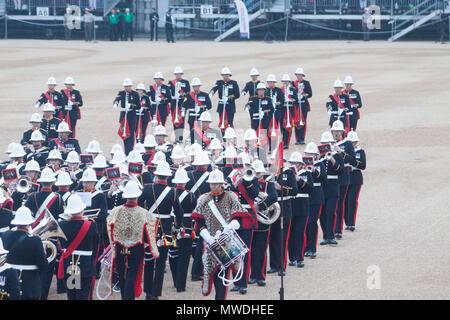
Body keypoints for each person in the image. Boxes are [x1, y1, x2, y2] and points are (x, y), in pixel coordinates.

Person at [191, 169, 251, 300]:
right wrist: (209, 238)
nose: (213, 186)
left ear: (221, 183)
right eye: (211, 183)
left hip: (226, 240)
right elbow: (199, 223)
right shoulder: (203, 199)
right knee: (209, 269)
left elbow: (239, 218)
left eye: (215, 183)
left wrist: (228, 228)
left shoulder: (231, 197)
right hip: (210, 241)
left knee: (225, 272)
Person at [138, 161, 183, 300]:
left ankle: (148, 292)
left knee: (149, 259)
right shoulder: (173, 192)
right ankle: (156, 293)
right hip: (165, 229)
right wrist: (177, 226)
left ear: (156, 175)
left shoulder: (147, 189)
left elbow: (138, 205)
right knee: (161, 261)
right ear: (167, 177)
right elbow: (179, 213)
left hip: (149, 227)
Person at [107, 181, 159, 300]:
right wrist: (149, 245)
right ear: (137, 196)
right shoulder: (144, 213)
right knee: (132, 274)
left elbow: (109, 226)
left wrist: (114, 242)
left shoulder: (116, 211)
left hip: (120, 246)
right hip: (136, 247)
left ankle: (124, 297)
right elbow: (151, 229)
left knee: (122, 273)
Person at [24, 167, 64, 299]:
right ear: (53, 183)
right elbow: (60, 219)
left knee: (32, 270)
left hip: (33, 238)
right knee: (46, 273)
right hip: (50, 239)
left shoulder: (32, 197)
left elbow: (26, 217)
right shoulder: (58, 198)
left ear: (41, 182)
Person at [1, 207, 48, 300]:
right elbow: (44, 266)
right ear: (29, 223)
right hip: (29, 284)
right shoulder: (35, 240)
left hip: (9, 281)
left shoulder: (5, 235)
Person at [57, 194, 99, 300]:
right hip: (85, 265)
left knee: (72, 295)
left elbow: (61, 244)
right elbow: (96, 245)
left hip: (70, 265)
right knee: (83, 295)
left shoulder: (62, 225)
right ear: (82, 209)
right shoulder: (91, 225)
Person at [171, 168, 197, 292]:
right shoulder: (191, 195)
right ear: (185, 182)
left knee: (173, 254)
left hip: (172, 227)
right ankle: (181, 285)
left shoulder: (170, 193)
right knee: (184, 257)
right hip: (186, 228)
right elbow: (195, 209)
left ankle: (176, 281)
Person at [286, 152, 313, 268]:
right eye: (292, 163)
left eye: (296, 163)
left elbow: (310, 188)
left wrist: (299, 180)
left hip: (302, 206)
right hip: (292, 204)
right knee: (291, 233)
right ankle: (292, 257)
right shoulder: (288, 174)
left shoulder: (307, 173)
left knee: (299, 232)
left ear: (301, 164)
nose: (294, 164)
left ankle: (300, 258)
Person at [318, 131, 344, 246]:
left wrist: (332, 159)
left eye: (328, 143)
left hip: (333, 186)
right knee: (323, 213)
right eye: (324, 143)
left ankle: (331, 235)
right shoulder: (319, 159)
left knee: (331, 211)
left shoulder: (338, 155)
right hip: (322, 187)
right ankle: (325, 236)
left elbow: (341, 171)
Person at [331, 120, 355, 240]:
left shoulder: (348, 143)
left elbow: (352, 159)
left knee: (340, 203)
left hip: (343, 175)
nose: (336, 133)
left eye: (338, 131)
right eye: (334, 131)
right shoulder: (329, 143)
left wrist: (341, 152)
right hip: (331, 177)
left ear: (342, 131)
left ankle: (338, 229)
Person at [303, 142, 327, 259]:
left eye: (312, 154)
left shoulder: (319, 164)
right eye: (308, 154)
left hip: (316, 196)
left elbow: (323, 178)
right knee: (305, 223)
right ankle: (305, 247)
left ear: (317, 155)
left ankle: (312, 248)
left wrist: (314, 171)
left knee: (312, 222)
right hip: (305, 197)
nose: (310, 156)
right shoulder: (302, 167)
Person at [344, 131, 365, 231]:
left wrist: (352, 161)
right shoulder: (345, 152)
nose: (352, 144)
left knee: (352, 200)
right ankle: (347, 222)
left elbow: (363, 165)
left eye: (354, 142)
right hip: (347, 176)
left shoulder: (360, 152)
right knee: (345, 201)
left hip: (356, 177)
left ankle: (351, 223)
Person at [113, 78, 140, 155]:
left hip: (132, 116)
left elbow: (138, 106)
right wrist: (115, 103)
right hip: (123, 116)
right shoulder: (121, 93)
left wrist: (131, 106)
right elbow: (117, 98)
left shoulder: (135, 94)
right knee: (124, 133)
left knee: (131, 134)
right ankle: (126, 151)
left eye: (128, 86)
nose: (127, 88)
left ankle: (130, 150)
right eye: (125, 86)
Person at [182, 77, 212, 144]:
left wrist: (201, 108)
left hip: (201, 117)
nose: (195, 87)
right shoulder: (189, 95)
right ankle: (192, 144)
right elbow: (184, 104)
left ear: (199, 86)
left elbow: (209, 105)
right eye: (194, 86)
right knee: (192, 131)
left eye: (197, 86)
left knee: (201, 131)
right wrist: (183, 111)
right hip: (192, 116)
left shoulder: (205, 95)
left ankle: (200, 143)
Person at [209, 67, 240, 132]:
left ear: (229, 75)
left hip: (230, 106)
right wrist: (211, 93)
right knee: (222, 121)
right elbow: (215, 88)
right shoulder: (219, 82)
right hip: (221, 105)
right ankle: (223, 137)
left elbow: (237, 94)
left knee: (229, 122)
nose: (225, 76)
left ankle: (230, 136)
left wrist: (229, 97)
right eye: (223, 74)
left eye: (226, 74)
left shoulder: (234, 83)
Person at [292, 67, 313, 145]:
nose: (298, 76)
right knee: (296, 122)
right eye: (297, 75)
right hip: (296, 105)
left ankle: (302, 138)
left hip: (304, 104)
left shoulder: (306, 83)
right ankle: (297, 139)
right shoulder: (293, 84)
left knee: (303, 122)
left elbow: (310, 94)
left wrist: (304, 95)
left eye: (300, 75)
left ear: (302, 75)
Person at [169, 66, 190, 143]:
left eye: (179, 74)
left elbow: (188, 93)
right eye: (176, 74)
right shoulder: (171, 83)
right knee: (175, 120)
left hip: (182, 103)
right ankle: (176, 137)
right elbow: (168, 92)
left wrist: (182, 94)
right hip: (174, 104)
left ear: (181, 74)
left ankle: (180, 138)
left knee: (182, 120)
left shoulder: (186, 82)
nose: (178, 75)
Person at [280, 74, 299, 149]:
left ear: (289, 81)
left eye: (286, 81)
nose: (285, 82)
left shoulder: (293, 89)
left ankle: (286, 143)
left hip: (290, 109)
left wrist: (291, 100)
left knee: (288, 126)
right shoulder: (280, 89)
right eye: (283, 81)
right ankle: (283, 140)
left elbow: (296, 99)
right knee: (282, 126)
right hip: (282, 109)